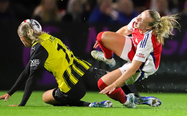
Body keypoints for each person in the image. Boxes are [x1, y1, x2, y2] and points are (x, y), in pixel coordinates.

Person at [0, 19, 159, 107]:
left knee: (45, 97)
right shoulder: (48, 37)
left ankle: (91, 105)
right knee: (114, 77)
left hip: (71, 85)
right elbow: (27, 71)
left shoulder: (38, 48)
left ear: (23, 38)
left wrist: (21, 105)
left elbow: (31, 76)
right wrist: (11, 92)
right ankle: (138, 97)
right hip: (85, 70)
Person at [91, 10, 180, 108]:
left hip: (143, 67)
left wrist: (115, 84)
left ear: (148, 27)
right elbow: (125, 30)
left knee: (102, 84)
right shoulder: (138, 22)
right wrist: (108, 45)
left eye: (142, 19)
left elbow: (133, 69)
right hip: (134, 49)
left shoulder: (147, 41)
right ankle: (109, 59)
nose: (138, 18)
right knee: (101, 37)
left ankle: (127, 101)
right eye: (140, 14)